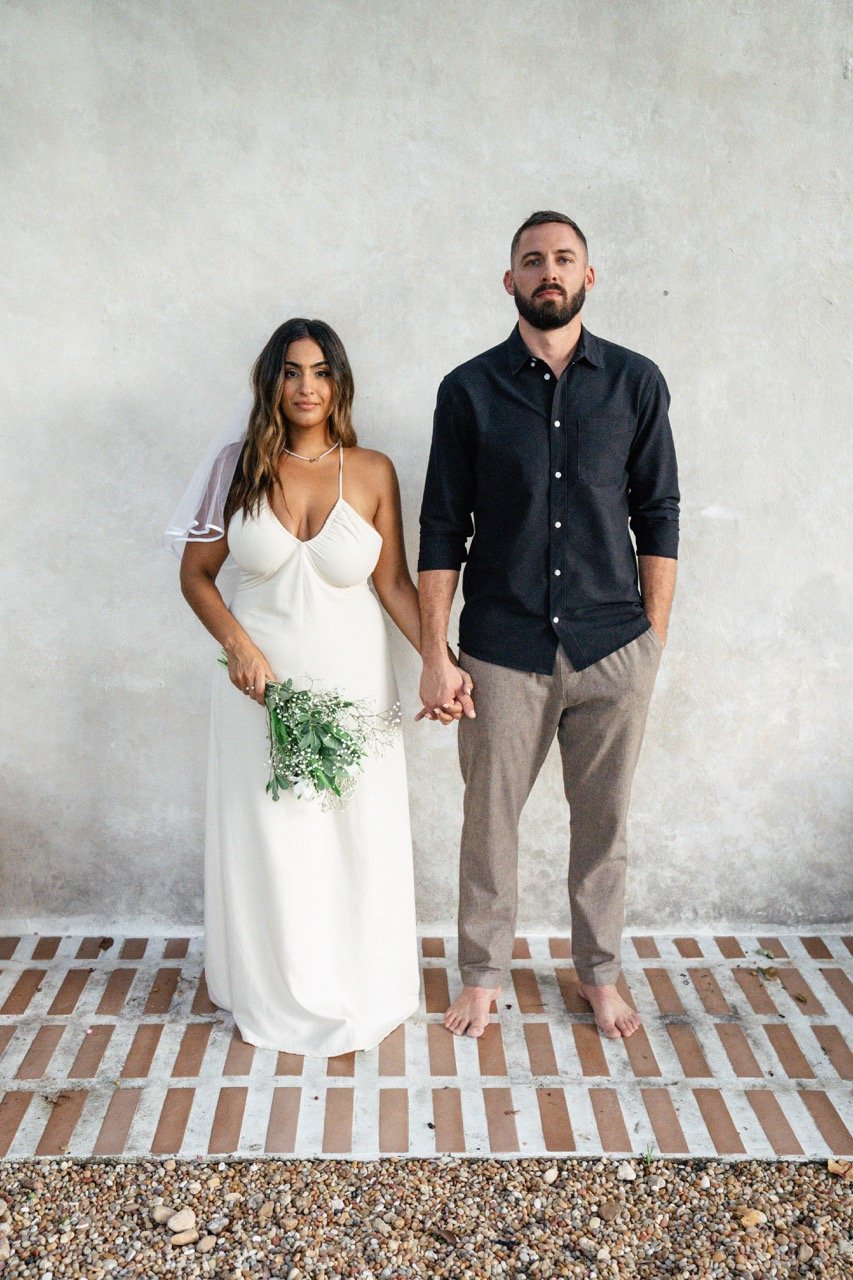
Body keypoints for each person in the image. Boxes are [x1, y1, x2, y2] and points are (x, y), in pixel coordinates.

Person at [417, 211, 679, 1041]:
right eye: (532, 261)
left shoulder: (635, 383)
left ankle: (599, 974)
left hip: (611, 647)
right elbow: (438, 528)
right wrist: (435, 650)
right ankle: (484, 976)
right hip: (502, 648)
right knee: (487, 825)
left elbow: (659, 510)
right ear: (510, 281)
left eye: (564, 258)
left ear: (588, 276)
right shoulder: (467, 389)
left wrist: (652, 639)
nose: (548, 271)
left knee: (604, 827)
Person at [168, 318, 447, 1056]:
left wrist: (437, 660)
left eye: (320, 371)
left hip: (354, 684)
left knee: (354, 835)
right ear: (271, 383)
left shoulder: (373, 470)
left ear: (339, 382)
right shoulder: (237, 468)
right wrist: (238, 647)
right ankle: (276, 984)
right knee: (275, 838)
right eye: (290, 372)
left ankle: (360, 978)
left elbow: (391, 584)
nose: (305, 387)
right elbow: (195, 576)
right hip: (259, 689)